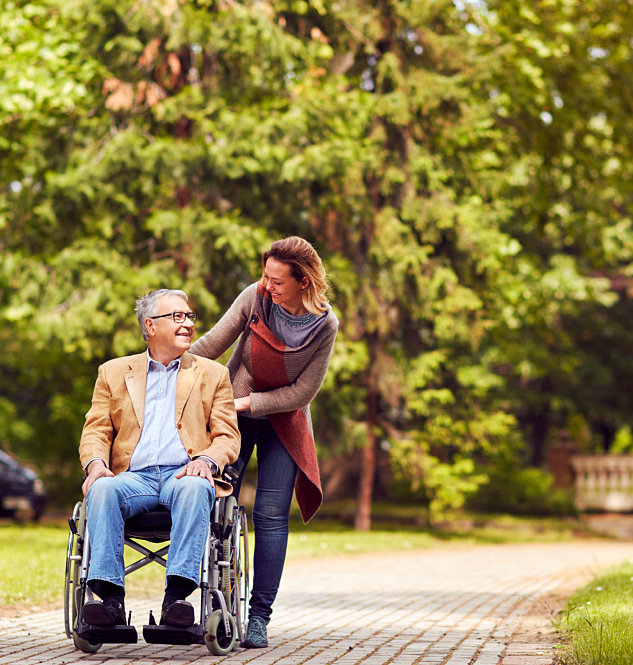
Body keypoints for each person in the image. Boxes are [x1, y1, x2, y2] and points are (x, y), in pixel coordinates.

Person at [190, 236, 338, 648]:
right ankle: (206, 599)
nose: (268, 286)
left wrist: (244, 403)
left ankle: (258, 618)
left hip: (283, 419)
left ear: (303, 281)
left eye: (278, 281)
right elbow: (211, 346)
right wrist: (162, 368)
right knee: (216, 498)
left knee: (271, 516)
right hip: (236, 409)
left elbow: (302, 393)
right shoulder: (255, 298)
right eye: (266, 277)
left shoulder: (326, 325)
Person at [78, 288, 240, 634]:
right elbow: (95, 431)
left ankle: (177, 602)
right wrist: (95, 464)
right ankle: (110, 603)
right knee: (102, 489)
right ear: (150, 326)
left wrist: (208, 461)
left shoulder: (213, 374)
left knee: (197, 486)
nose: (187, 324)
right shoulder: (113, 372)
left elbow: (227, 436)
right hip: (132, 477)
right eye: (177, 317)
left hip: (183, 474)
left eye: (189, 317)